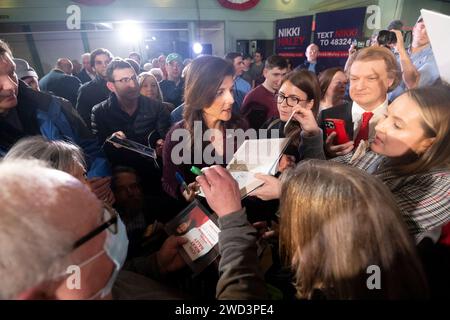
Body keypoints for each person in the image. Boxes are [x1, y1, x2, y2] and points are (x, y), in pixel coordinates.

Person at [255, 85, 450, 244]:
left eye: (397, 125)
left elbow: (368, 221)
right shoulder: (378, 154)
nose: (381, 126)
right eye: (387, 116)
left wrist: (289, 189)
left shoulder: (442, 187)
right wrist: (312, 134)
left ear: (430, 141)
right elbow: (323, 176)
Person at [0, 159, 188, 300]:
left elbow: (118, 279)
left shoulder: (88, 281)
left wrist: (157, 264)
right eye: (99, 223)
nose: (112, 231)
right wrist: (220, 214)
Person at [0, 39, 112, 200]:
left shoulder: (54, 106)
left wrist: (97, 180)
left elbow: (91, 148)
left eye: (12, 73)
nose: (11, 85)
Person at [162, 55, 246, 200]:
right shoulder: (178, 136)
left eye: (231, 90)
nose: (231, 99)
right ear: (198, 94)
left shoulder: (241, 126)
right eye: (220, 92)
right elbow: (169, 181)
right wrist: (184, 190)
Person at [91, 59, 170, 195]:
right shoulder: (100, 112)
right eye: (124, 80)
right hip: (122, 182)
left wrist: (162, 145)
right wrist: (110, 142)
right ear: (111, 86)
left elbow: (167, 138)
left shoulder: (156, 107)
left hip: (154, 175)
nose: (133, 84)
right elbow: (97, 152)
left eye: (134, 78)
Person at [318, 46, 400, 158]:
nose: (359, 87)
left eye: (371, 78)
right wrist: (327, 153)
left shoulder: (403, 121)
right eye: (354, 79)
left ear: (390, 80)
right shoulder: (327, 116)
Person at [260, 69, 321, 172]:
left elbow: (315, 178)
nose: (283, 104)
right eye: (281, 96)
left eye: (293, 99)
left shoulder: (315, 135)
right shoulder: (271, 124)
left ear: (309, 104)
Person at [388, 16, 440, 101]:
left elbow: (414, 85)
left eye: (430, 29)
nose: (425, 32)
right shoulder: (396, 54)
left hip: (403, 110)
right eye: (422, 26)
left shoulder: (434, 59)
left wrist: (401, 50)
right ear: (414, 29)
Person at [240, 55, 288, 129]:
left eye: (284, 75)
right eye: (276, 75)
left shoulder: (287, 95)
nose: (280, 80)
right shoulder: (253, 97)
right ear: (265, 72)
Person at [75, 48, 113, 129]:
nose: (104, 65)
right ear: (93, 67)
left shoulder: (120, 83)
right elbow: (83, 119)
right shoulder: (86, 90)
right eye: (99, 63)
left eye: (107, 62)